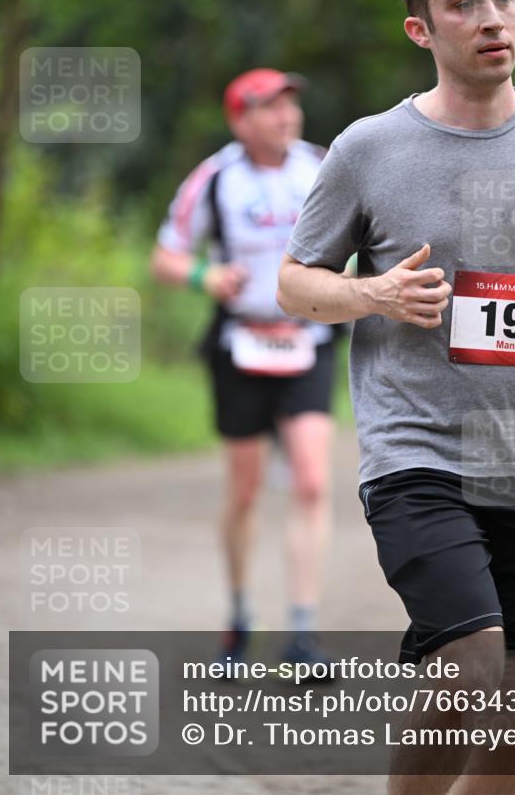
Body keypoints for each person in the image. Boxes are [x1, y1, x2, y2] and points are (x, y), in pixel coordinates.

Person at [277, 0, 515, 793]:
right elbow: (295, 284)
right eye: (463, 3)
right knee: (473, 667)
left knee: (513, 708)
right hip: (418, 455)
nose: (491, 18)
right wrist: (371, 296)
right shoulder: (368, 149)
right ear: (421, 31)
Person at [151, 68, 337, 668]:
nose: (286, 116)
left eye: (291, 105)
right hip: (242, 344)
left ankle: (304, 633)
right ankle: (237, 619)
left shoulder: (323, 168)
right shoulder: (215, 179)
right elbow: (166, 257)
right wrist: (206, 276)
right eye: (270, 108)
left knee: (311, 480)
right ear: (240, 120)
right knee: (246, 488)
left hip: (309, 339)